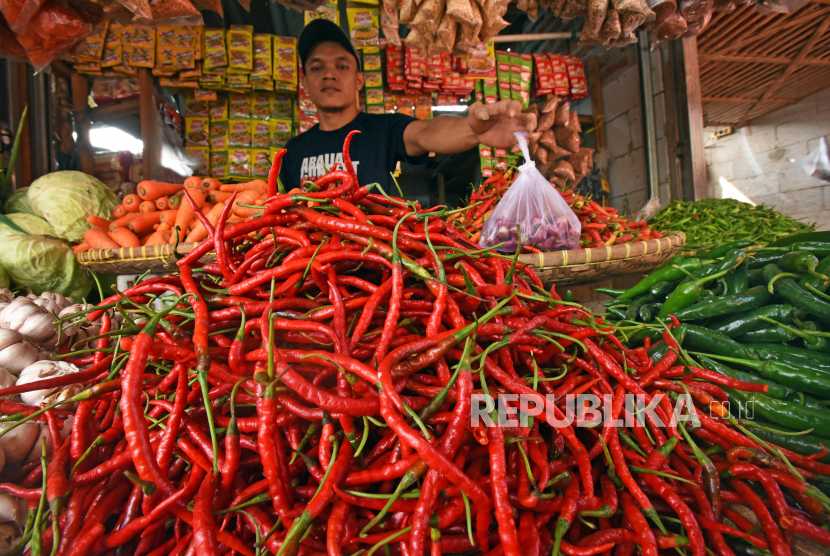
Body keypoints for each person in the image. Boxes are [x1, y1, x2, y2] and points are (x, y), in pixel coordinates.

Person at [279, 19, 537, 190]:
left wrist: (474, 131)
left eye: (342, 65)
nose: (329, 74)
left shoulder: (383, 130)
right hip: (308, 269)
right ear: (305, 83)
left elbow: (426, 133)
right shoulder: (291, 152)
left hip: (376, 266)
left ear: (360, 80)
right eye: (317, 67)